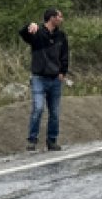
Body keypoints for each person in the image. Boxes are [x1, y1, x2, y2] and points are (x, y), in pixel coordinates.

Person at [20, 8, 69, 152]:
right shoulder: (37, 34)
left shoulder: (61, 36)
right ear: (52, 18)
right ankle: (32, 139)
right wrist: (30, 25)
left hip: (55, 79)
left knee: (54, 112)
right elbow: (23, 34)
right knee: (38, 108)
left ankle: (51, 141)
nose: (61, 19)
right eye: (60, 16)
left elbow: (65, 55)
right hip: (39, 78)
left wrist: (63, 72)